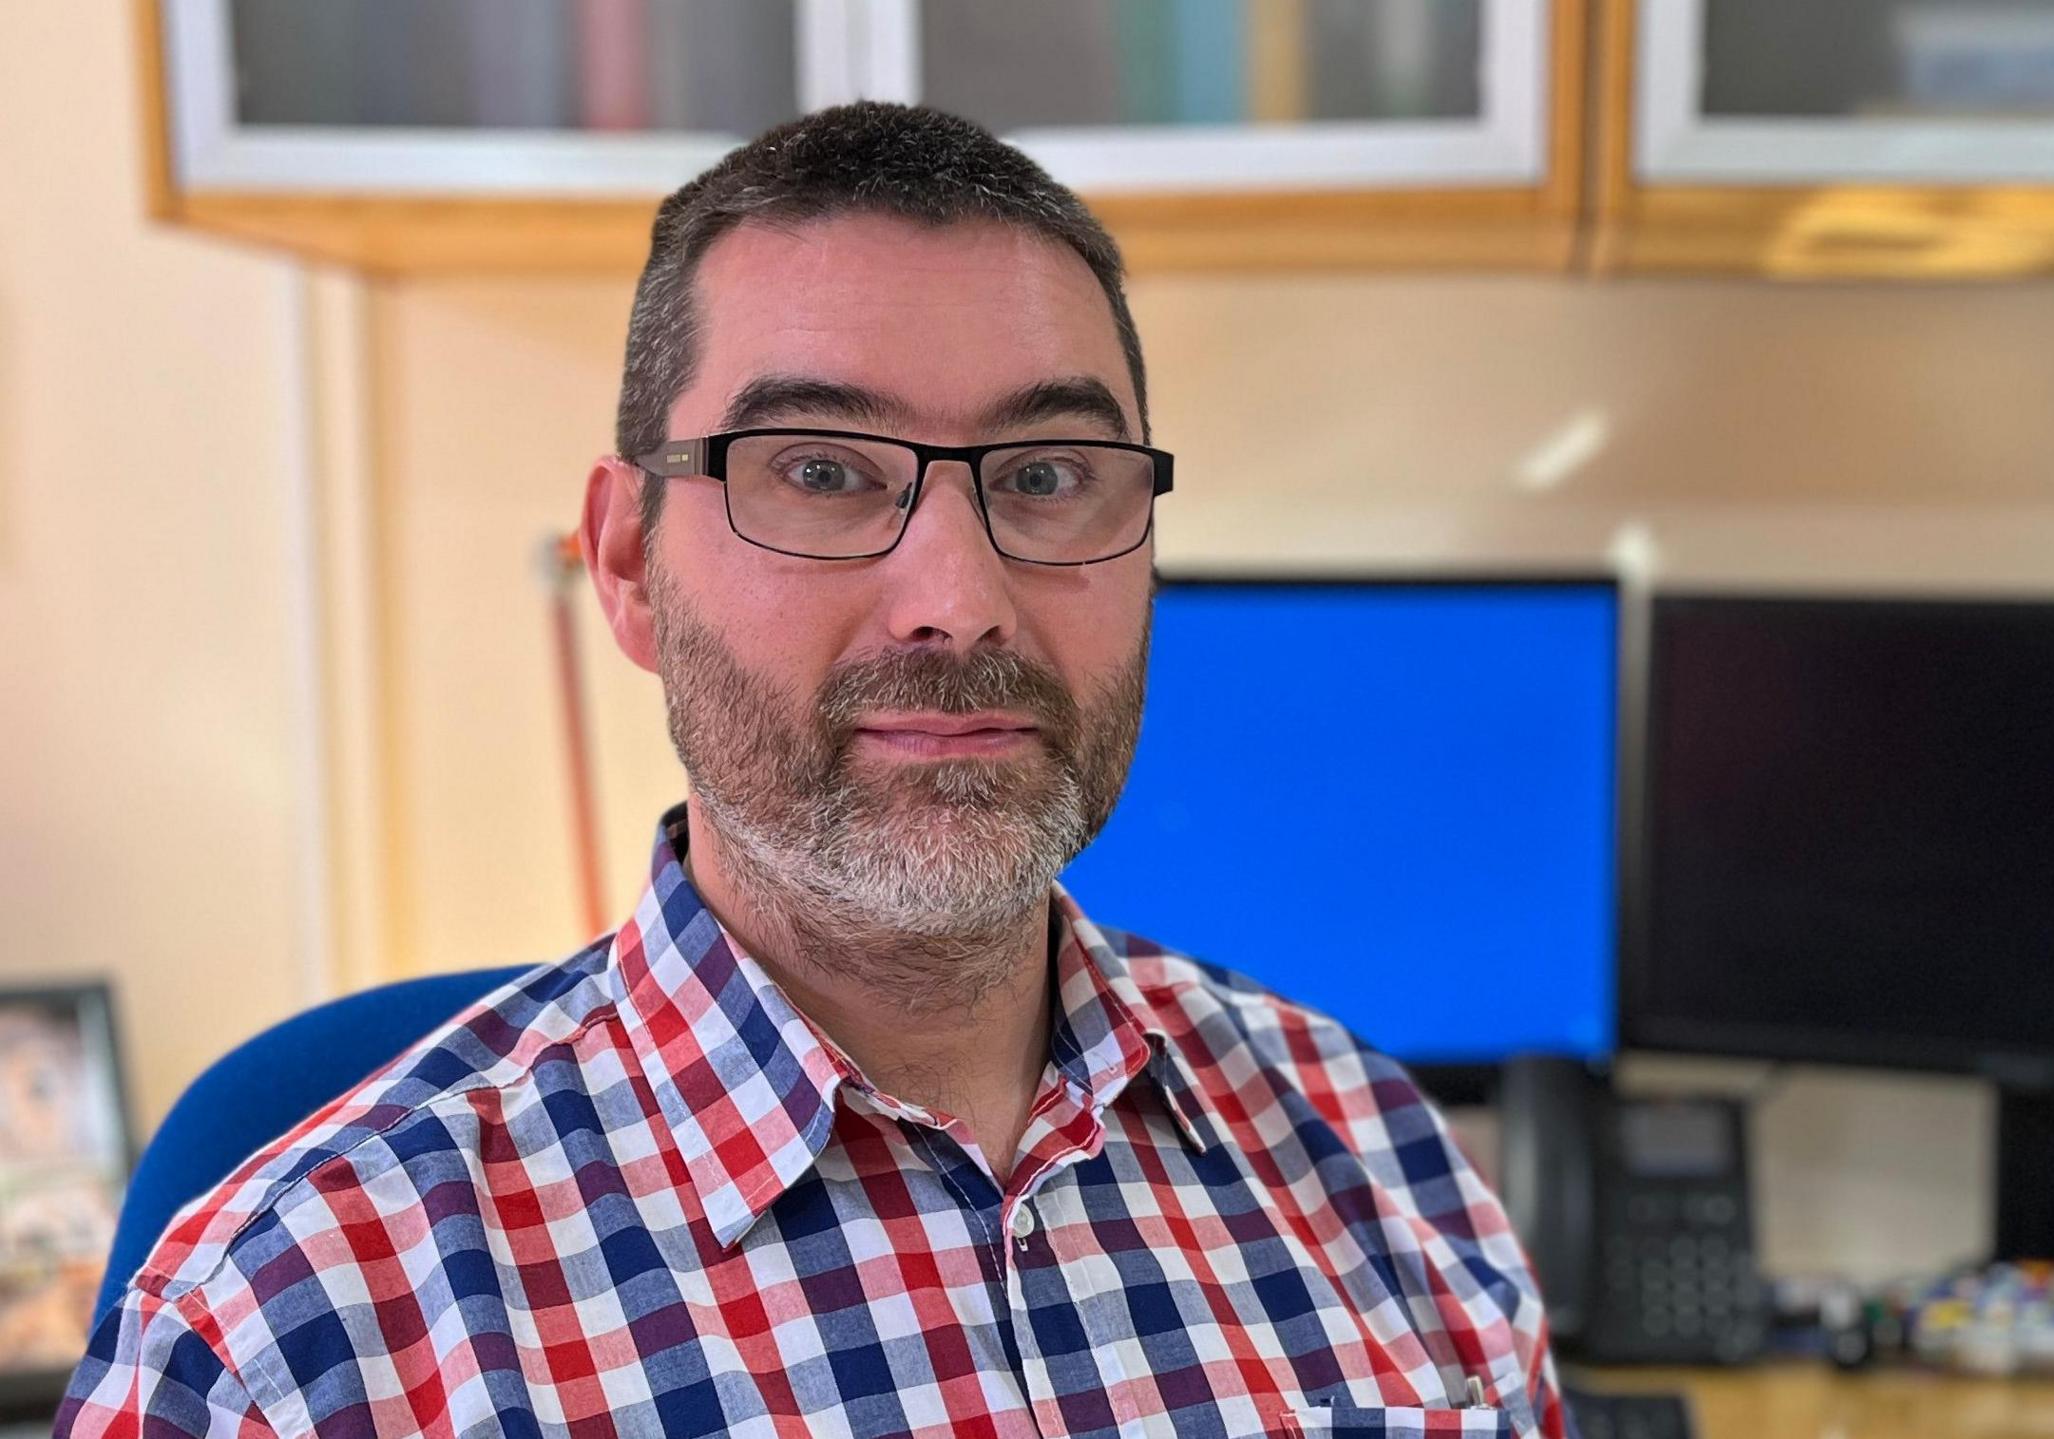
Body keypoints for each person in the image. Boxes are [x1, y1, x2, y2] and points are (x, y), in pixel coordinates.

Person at [59, 103, 1566, 1439]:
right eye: (825, 473)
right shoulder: (288, 1339)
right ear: (634, 561)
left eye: (1045, 477)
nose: (957, 596)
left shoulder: (1379, 1163)